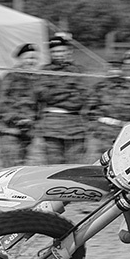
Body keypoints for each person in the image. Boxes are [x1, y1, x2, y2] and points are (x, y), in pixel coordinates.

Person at [34, 35, 94, 164]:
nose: (58, 54)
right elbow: (42, 95)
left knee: (75, 165)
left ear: (69, 51)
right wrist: (70, 91)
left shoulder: (79, 70)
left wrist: (55, 92)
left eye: (61, 51)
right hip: (51, 125)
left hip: (75, 125)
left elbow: (84, 96)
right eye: (54, 52)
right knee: (54, 165)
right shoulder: (44, 71)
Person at [0, 43, 41, 167]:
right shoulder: (10, 78)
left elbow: (39, 104)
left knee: (22, 167)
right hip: (9, 130)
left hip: (28, 130)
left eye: (34, 58)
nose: (31, 61)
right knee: (11, 168)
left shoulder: (37, 79)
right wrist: (17, 119)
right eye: (28, 58)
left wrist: (33, 120)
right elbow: (0, 103)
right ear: (20, 59)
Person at [88, 60, 130, 152]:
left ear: (124, 68)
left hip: (127, 133)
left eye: (118, 67)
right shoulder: (98, 88)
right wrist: (96, 127)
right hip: (102, 134)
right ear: (108, 69)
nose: (115, 71)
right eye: (113, 67)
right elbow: (89, 111)